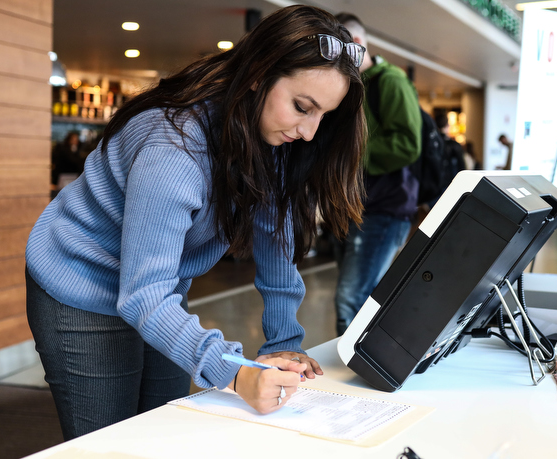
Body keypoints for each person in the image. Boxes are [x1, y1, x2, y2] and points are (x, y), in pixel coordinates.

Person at [24, 5, 367, 440]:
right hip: (81, 283)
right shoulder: (176, 148)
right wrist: (237, 373)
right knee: (111, 442)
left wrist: (283, 340)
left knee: (164, 431)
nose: (310, 131)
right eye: (302, 107)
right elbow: (144, 296)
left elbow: (274, 242)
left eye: (324, 115)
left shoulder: (269, 140)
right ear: (259, 75)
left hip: (154, 289)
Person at [332, 12, 422, 336]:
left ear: (356, 44)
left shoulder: (391, 80)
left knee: (350, 298)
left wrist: (351, 155)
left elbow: (408, 143)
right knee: (357, 295)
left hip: (384, 207)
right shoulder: (353, 85)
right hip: (356, 207)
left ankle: (354, 369)